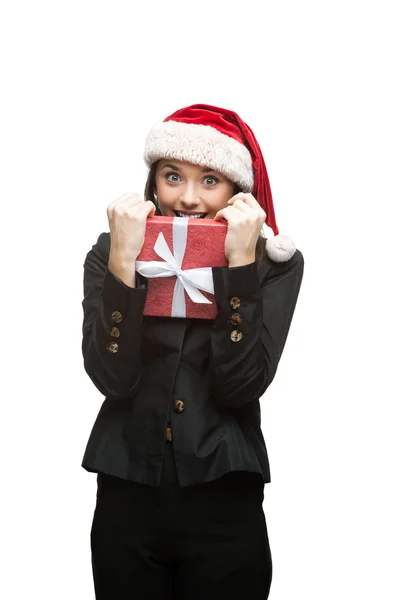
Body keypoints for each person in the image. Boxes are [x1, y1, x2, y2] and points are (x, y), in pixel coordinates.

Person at [81, 103, 304, 599]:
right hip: (127, 496)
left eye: (210, 181)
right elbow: (111, 378)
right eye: (172, 176)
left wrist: (240, 265)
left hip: (224, 498)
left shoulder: (274, 265)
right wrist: (123, 262)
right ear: (153, 181)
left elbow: (241, 385)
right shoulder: (111, 250)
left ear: (236, 190)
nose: (187, 198)